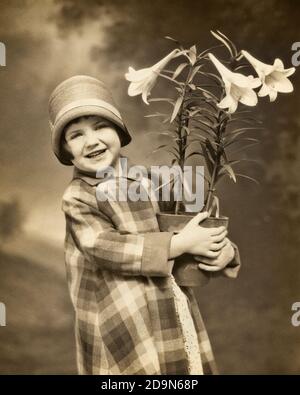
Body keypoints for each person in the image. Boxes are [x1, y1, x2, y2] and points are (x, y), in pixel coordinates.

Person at [48, 75, 241, 375]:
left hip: (169, 312)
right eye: (76, 135)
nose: (92, 141)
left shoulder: (149, 181)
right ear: (66, 150)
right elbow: (104, 247)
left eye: (101, 127)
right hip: (120, 319)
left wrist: (222, 251)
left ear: (119, 130)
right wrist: (180, 244)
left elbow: (189, 226)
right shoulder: (79, 197)